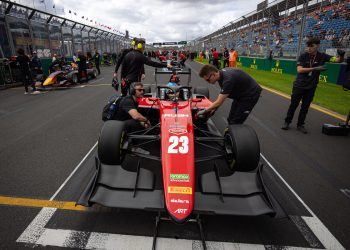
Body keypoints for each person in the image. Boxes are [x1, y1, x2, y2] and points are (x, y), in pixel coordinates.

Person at [281, 37, 345, 134]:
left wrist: (341, 55)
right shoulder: (303, 56)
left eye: (312, 46)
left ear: (318, 46)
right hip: (299, 85)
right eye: (308, 46)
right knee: (293, 105)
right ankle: (287, 122)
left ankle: (300, 124)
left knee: (305, 107)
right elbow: (300, 70)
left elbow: (337, 60)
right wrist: (315, 68)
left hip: (311, 87)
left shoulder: (322, 56)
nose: (309, 48)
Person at [113, 82, 151, 154]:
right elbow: (136, 116)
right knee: (136, 123)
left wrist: (145, 121)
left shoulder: (135, 100)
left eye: (143, 90)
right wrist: (146, 121)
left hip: (124, 121)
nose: (142, 92)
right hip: (117, 125)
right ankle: (133, 148)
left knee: (143, 118)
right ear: (133, 91)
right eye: (139, 90)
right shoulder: (128, 101)